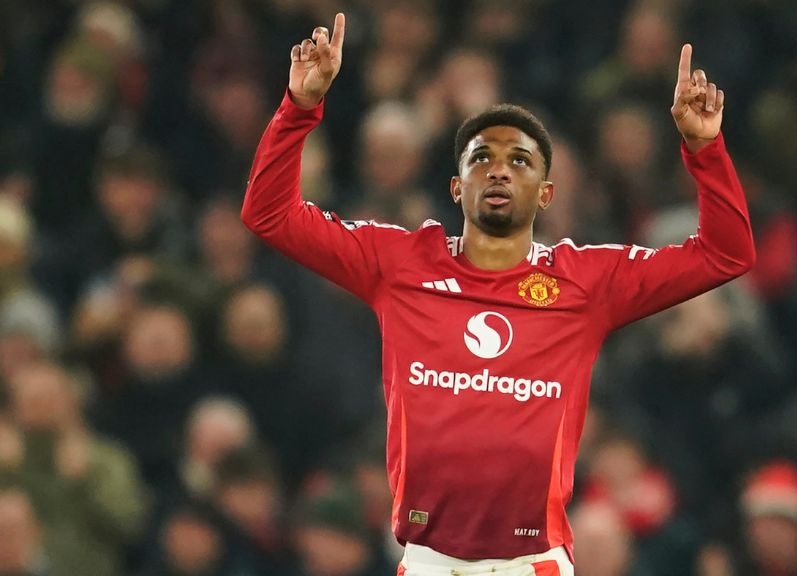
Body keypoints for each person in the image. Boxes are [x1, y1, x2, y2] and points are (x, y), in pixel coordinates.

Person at [241, 13, 754, 575]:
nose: (500, 172)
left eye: (520, 161)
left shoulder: (585, 282)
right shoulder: (401, 264)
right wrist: (298, 107)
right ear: (457, 186)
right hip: (426, 562)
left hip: (532, 564)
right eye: (481, 158)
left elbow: (724, 254)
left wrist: (704, 150)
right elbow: (270, 215)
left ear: (547, 192)